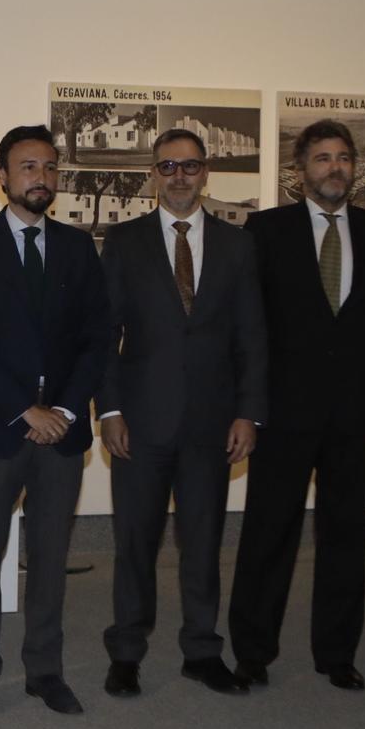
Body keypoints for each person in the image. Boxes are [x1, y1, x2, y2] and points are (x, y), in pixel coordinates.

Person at [230, 119, 365, 691]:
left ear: (353, 168)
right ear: (300, 171)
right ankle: (254, 650)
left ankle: (337, 653)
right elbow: (249, 325)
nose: (334, 168)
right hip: (283, 410)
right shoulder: (265, 231)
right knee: (269, 531)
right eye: (321, 159)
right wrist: (247, 400)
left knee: (345, 532)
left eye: (343, 158)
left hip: (355, 411)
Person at [0, 124, 113, 717]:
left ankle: (45, 670)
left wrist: (64, 410)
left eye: (48, 167)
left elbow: (98, 337)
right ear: (2, 177)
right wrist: (25, 410)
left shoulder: (77, 248)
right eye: (26, 167)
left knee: (50, 554)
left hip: (62, 430)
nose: (39, 177)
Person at [96, 129, 268, 699]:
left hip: (212, 425)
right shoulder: (122, 242)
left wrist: (249, 414)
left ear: (206, 172)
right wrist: (111, 409)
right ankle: (126, 651)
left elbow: (252, 337)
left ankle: (201, 650)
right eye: (167, 165)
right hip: (139, 424)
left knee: (202, 542)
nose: (178, 176)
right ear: (153, 173)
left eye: (189, 166)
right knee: (134, 543)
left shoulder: (238, 245)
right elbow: (105, 335)